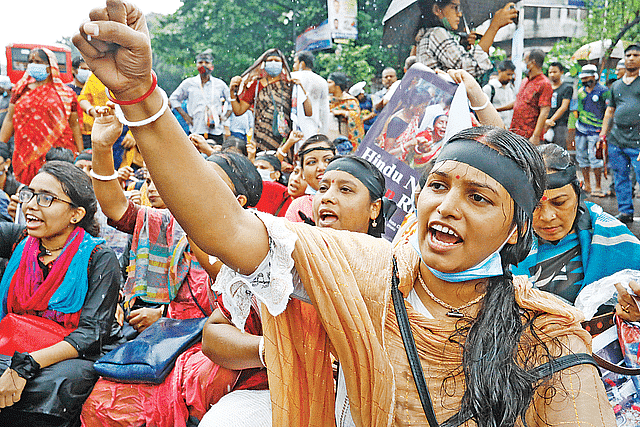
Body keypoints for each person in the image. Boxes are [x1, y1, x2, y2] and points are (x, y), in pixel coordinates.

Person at [73, 11, 615, 424]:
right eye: (437, 186)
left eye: (479, 198)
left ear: (518, 228)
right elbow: (226, 229)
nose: (446, 206)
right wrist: (141, 98)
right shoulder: (371, 271)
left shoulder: (547, 331)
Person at [80, 107, 262, 427]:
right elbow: (116, 207)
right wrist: (101, 147)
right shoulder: (171, 223)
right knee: (102, 404)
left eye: (211, 183)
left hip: (218, 352)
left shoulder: (260, 244)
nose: (198, 190)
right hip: (165, 342)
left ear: (241, 201)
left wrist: (163, 315)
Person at [200, 155, 387, 427]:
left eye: (345, 190)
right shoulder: (284, 257)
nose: (327, 197)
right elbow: (213, 335)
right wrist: (272, 349)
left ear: (374, 208)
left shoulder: (393, 269)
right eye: (322, 189)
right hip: (284, 397)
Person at [0, 160, 121, 426]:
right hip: (14, 341)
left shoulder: (99, 258)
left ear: (75, 214)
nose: (30, 205)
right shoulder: (22, 241)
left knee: (61, 382)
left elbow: (92, 334)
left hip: (67, 354)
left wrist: (26, 365)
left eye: (46, 198)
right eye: (29, 194)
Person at [512, 143, 640, 309]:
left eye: (559, 202)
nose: (547, 217)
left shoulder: (612, 236)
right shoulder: (507, 241)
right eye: (534, 206)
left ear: (578, 191)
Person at [0, 48, 83, 184]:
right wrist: (1, 147)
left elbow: (74, 124)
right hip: (26, 152)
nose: (33, 64)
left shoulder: (65, 94)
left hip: (56, 153)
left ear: (50, 66)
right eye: (31, 61)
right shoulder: (20, 90)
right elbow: (9, 119)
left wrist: (80, 153)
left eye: (38, 61)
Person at [230, 49, 311, 154]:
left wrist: (301, 88)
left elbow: (309, 112)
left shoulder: (290, 85)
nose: (273, 63)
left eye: (277, 61)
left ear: (282, 64)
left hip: (285, 141)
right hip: (261, 139)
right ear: (264, 64)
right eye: (270, 60)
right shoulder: (256, 85)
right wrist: (232, 92)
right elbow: (238, 111)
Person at [415, 0, 517, 78]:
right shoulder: (436, 33)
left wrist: (463, 46)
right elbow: (469, 68)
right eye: (454, 7)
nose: (459, 14)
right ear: (437, 10)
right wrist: (494, 26)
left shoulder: (428, 34)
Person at [600, 44, 640, 224]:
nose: (631, 58)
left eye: (636, 55)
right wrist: (603, 134)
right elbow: (610, 110)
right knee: (620, 176)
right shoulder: (616, 85)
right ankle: (625, 211)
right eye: (628, 55)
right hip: (617, 138)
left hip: (637, 140)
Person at [169, 50, 231, 144]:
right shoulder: (189, 83)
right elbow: (173, 99)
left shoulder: (219, 84)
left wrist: (224, 117)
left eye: (207, 63)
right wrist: (186, 117)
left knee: (214, 156)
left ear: (212, 67)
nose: (203, 65)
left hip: (216, 131)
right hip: (196, 129)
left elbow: (231, 101)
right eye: (200, 62)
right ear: (197, 66)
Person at [574, 64, 610, 197]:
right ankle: (588, 185)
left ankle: (598, 187)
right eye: (582, 78)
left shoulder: (604, 91)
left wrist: (605, 131)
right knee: (582, 158)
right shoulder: (580, 92)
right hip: (581, 130)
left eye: (587, 77)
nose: (584, 80)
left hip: (597, 130)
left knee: (596, 159)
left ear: (594, 76)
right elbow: (577, 110)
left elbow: (608, 111)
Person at [284, 135, 335, 223]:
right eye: (312, 162)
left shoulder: (350, 199)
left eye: (327, 160)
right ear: (303, 172)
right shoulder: (298, 207)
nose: (321, 168)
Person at [510, 49, 553, 144]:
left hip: (529, 136)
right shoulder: (525, 81)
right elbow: (519, 102)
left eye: (525, 60)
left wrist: (536, 136)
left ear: (532, 62)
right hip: (516, 133)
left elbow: (544, 112)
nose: (523, 63)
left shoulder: (544, 83)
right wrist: (497, 109)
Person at [291, 51, 331, 141]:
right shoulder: (321, 81)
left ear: (302, 64)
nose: (293, 66)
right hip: (312, 128)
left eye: (295, 62)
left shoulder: (292, 77)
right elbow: (324, 109)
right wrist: (323, 133)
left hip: (293, 128)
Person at [328, 72, 364, 152]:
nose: (327, 85)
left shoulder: (350, 101)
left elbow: (357, 116)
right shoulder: (327, 100)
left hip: (345, 137)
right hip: (330, 137)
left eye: (330, 82)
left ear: (338, 85)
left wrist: (343, 113)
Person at [545, 62, 573, 148]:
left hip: (560, 124)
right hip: (545, 123)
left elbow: (564, 107)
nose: (552, 75)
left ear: (561, 72)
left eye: (555, 72)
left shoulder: (566, 88)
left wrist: (551, 121)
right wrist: (545, 121)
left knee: (559, 149)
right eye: (550, 72)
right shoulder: (546, 88)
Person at [482, 60, 516, 128]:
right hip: (495, 129)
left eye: (511, 75)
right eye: (508, 74)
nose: (510, 78)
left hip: (509, 128)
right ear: (500, 71)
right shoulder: (489, 88)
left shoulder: (511, 88)